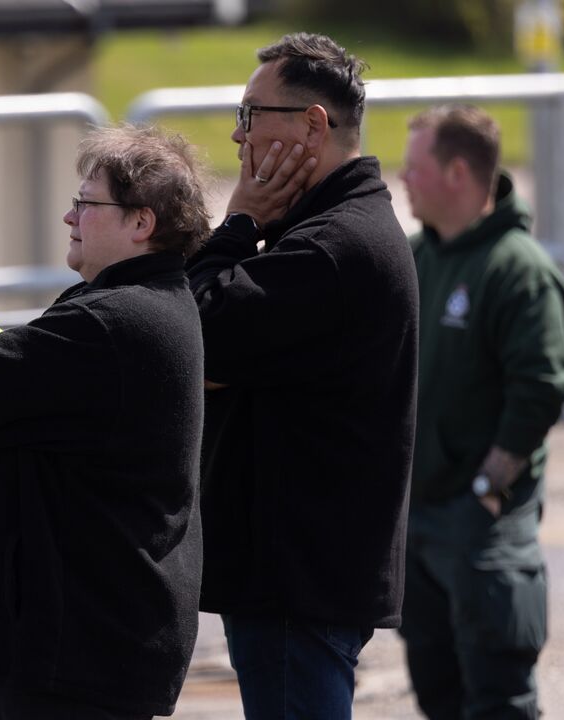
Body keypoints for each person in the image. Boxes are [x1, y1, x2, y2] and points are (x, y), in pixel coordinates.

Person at [0, 125, 210, 720]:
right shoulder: (133, 306)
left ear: (141, 223)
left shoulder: (113, 321)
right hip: (90, 636)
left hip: (76, 648)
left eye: (86, 204)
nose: (69, 218)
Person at [186, 32, 419, 719]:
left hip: (298, 585)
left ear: (313, 124)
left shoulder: (333, 246)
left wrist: (237, 223)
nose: (238, 134)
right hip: (299, 578)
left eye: (253, 114)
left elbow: (193, 334)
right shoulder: (325, 232)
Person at [398, 104, 564, 720]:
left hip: (481, 526)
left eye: (414, 167)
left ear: (456, 173)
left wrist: (487, 486)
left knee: (498, 698)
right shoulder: (417, 258)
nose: (402, 177)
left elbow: (542, 388)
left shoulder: (518, 270)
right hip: (418, 520)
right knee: (436, 690)